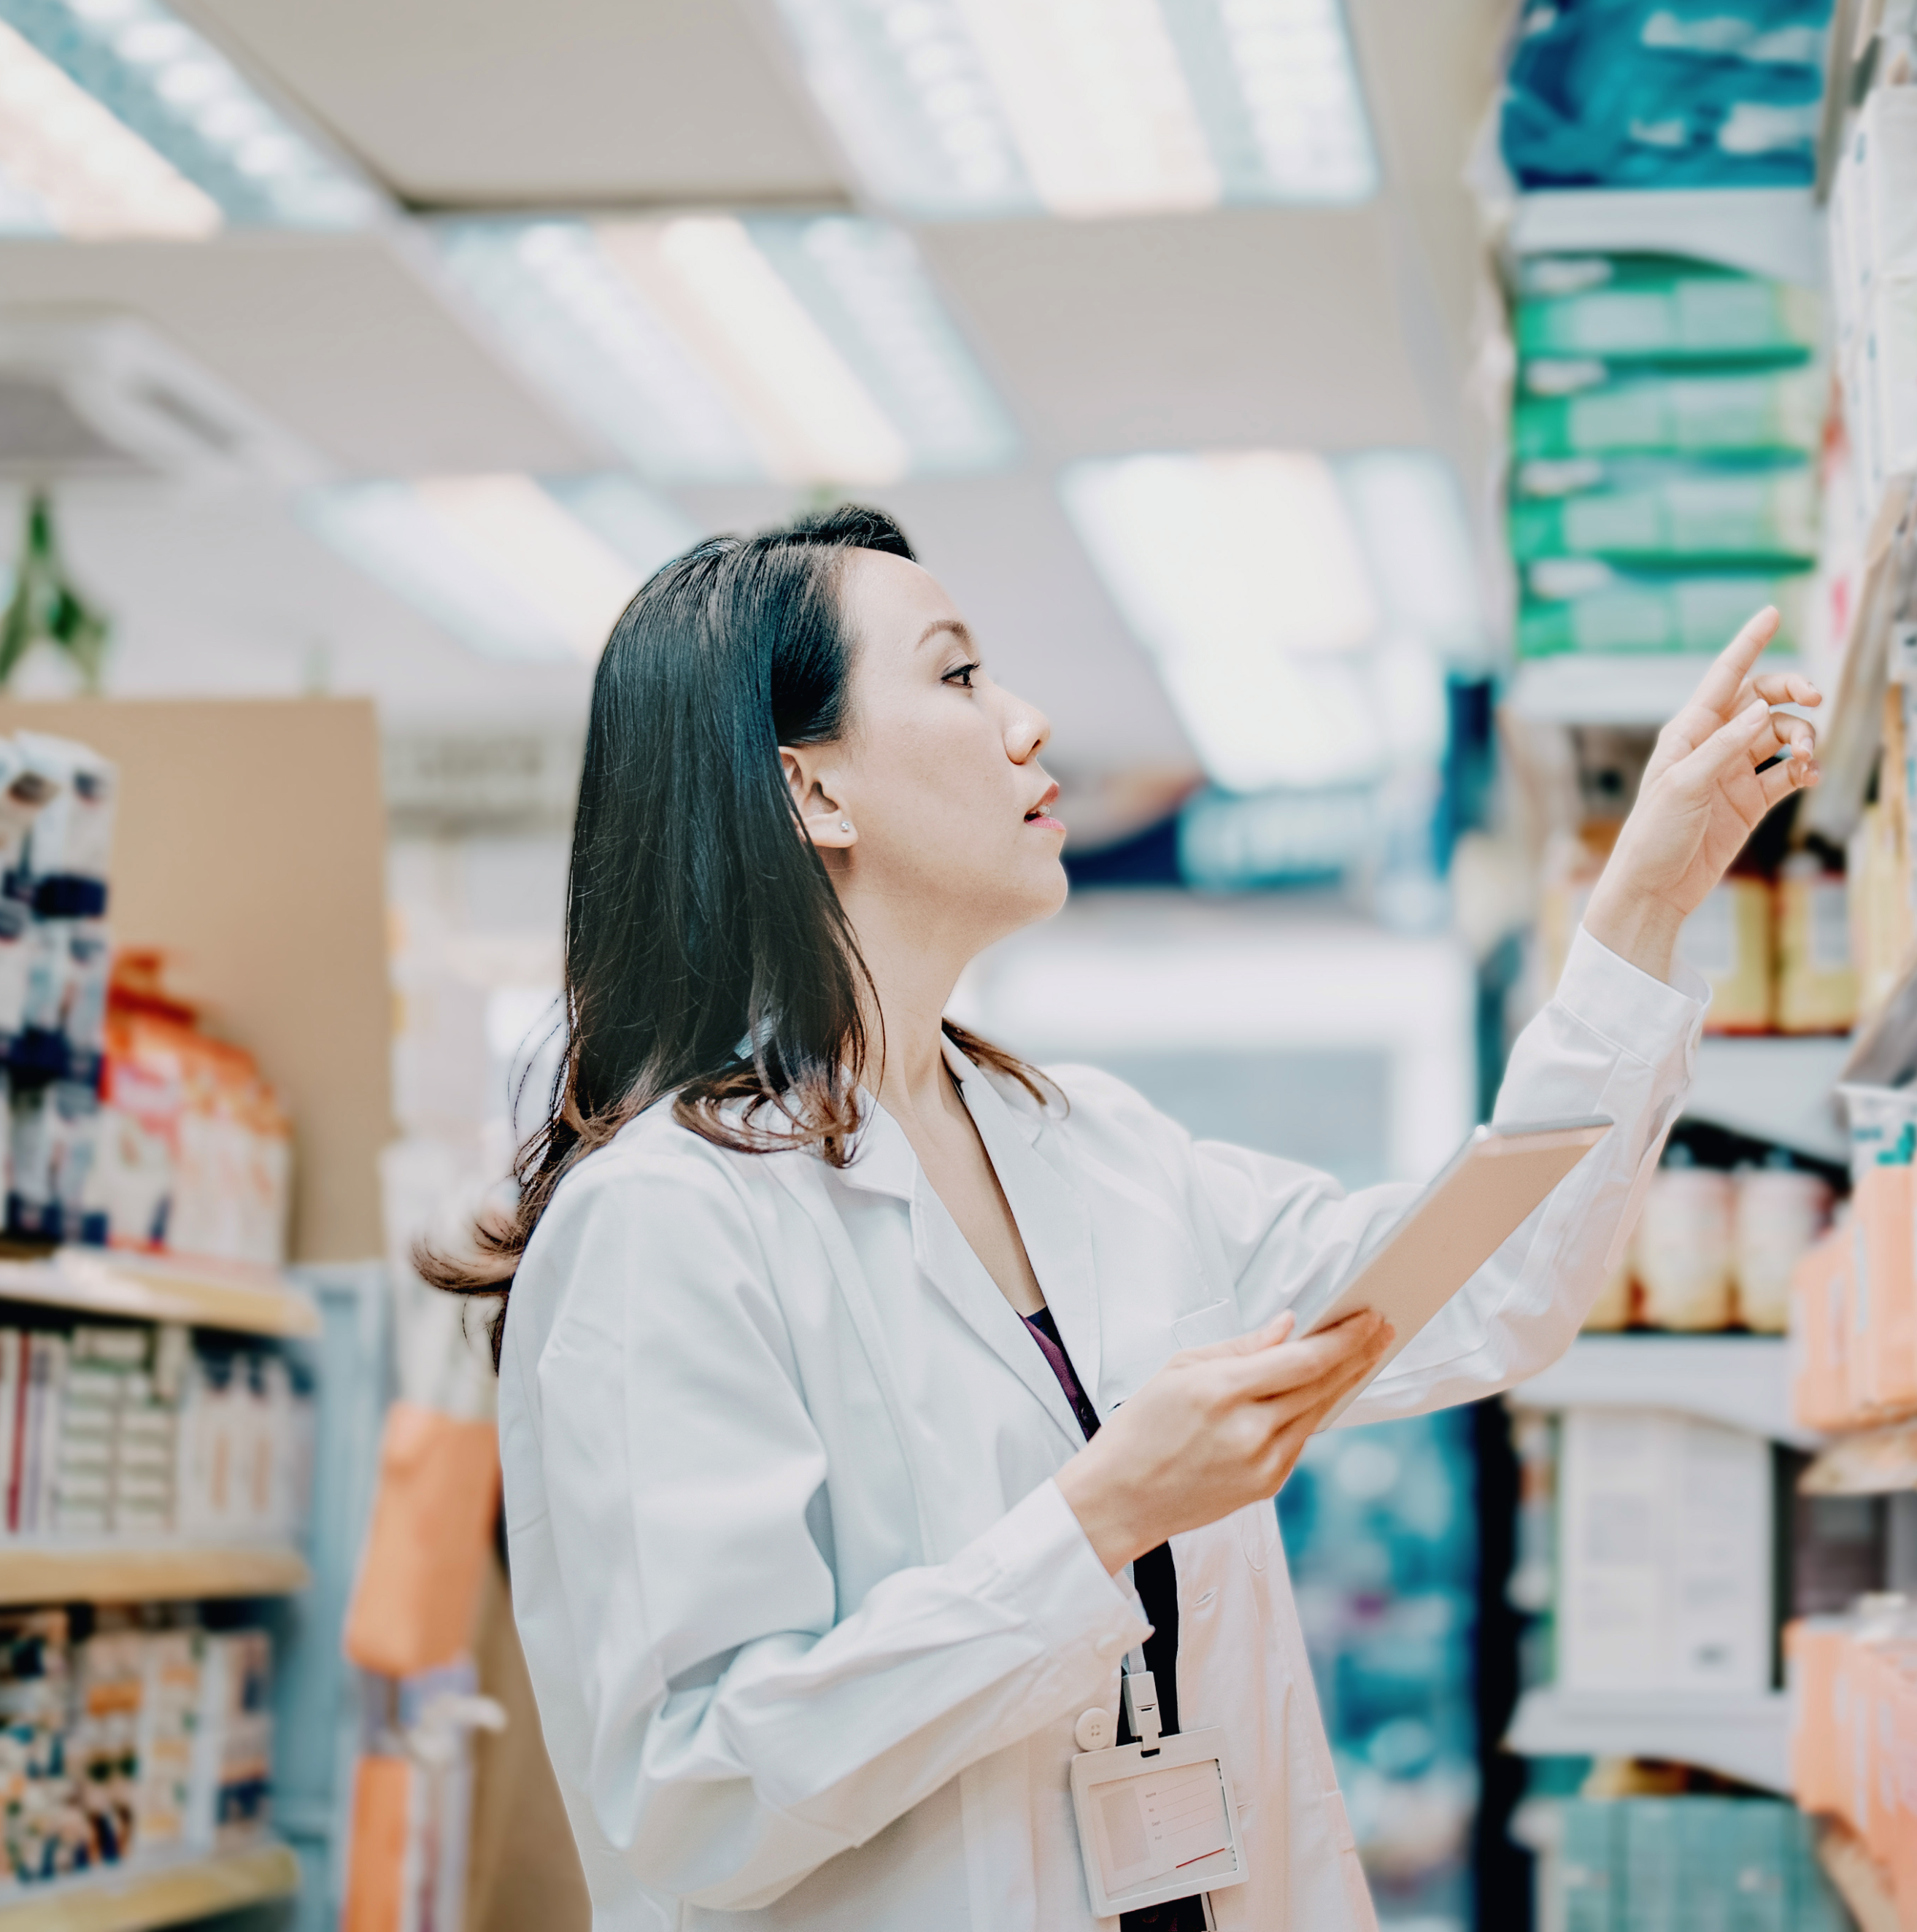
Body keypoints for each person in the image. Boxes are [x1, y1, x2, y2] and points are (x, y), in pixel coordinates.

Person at [435, 505, 1821, 1930]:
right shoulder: (667, 1225)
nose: (1029, 725)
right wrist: (1096, 1521)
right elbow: (693, 1797)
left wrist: (1642, 903)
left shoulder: (1092, 1148)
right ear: (813, 795)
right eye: (959, 676)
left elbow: (1486, 1287)